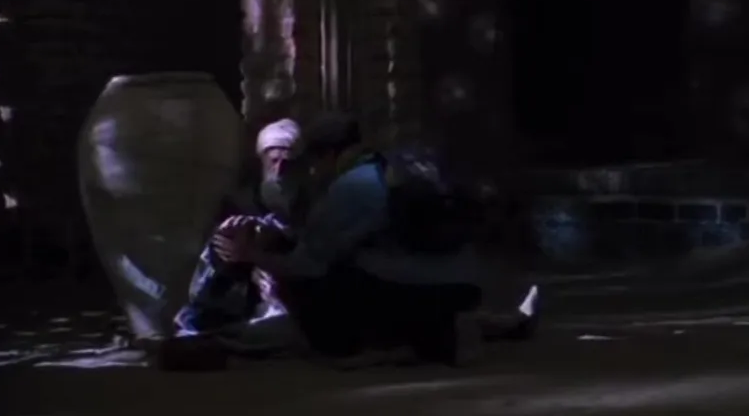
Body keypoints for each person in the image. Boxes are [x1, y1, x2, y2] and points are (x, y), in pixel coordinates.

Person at [211, 113, 537, 369]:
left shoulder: (350, 187)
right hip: (459, 283)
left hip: (427, 292)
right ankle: (460, 327)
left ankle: (387, 344)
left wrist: (250, 255)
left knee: (318, 282)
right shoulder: (387, 168)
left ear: (328, 156)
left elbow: (309, 265)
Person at [171, 119, 300, 354]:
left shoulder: (310, 201)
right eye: (274, 161)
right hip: (245, 290)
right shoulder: (242, 202)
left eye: (288, 163)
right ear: (262, 162)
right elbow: (224, 253)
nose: (280, 170)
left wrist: (268, 250)